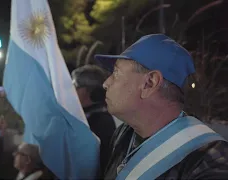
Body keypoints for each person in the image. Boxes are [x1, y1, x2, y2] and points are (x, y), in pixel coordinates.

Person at [94, 34, 228, 179]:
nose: (106, 83)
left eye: (116, 73)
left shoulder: (208, 160)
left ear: (149, 83)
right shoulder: (124, 133)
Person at [71, 65, 116, 175]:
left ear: (87, 91)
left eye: (74, 86)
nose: (71, 91)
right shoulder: (85, 116)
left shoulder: (102, 122)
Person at [0, 115, 18, 180]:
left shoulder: (10, 135)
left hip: (4, 166)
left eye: (2, 122)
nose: (0, 124)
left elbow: (11, 149)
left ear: (6, 124)